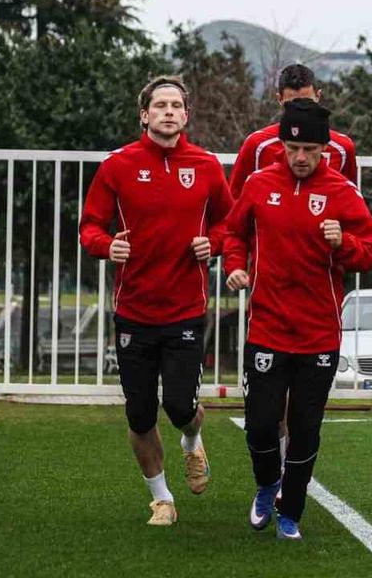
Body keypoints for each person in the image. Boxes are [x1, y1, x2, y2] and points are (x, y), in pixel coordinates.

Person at [79, 76, 233, 526]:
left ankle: (192, 441)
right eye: (160, 105)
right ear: (144, 114)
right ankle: (162, 498)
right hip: (134, 311)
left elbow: (230, 224)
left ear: (186, 115)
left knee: (181, 407)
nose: (168, 111)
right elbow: (89, 227)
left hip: (185, 310)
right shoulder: (118, 165)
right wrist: (107, 245)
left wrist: (213, 243)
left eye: (176, 105)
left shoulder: (206, 166)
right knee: (140, 413)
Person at [223, 100, 372, 540]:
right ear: (282, 145)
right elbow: (234, 232)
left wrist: (343, 242)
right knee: (260, 422)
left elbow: (370, 251)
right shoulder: (258, 183)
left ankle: (290, 510)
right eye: (293, 148)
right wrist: (234, 265)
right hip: (267, 326)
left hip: (318, 333)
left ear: (324, 149)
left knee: (306, 427)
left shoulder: (342, 192)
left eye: (310, 149)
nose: (301, 157)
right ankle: (266, 483)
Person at [229, 63, 358, 198]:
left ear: (318, 96)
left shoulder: (342, 148)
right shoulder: (257, 145)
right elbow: (235, 199)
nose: (300, 109)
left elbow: (350, 199)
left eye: (307, 102)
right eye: (292, 104)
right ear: (280, 99)